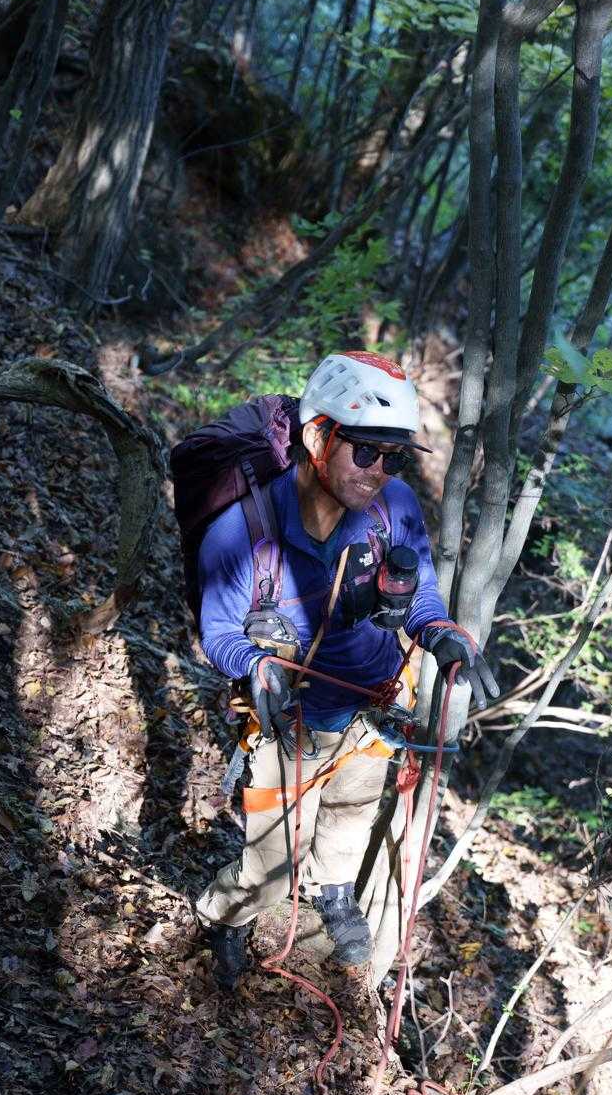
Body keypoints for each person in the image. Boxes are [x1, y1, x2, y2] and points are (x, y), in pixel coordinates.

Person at [193, 351, 498, 987]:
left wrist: (441, 633)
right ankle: (224, 916)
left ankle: (332, 890)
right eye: (366, 452)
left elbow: (418, 592)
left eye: (395, 457)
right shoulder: (242, 531)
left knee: (351, 816)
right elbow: (219, 632)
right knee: (267, 869)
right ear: (317, 438)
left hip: (373, 708)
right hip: (291, 724)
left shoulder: (395, 508)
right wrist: (255, 665)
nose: (380, 471)